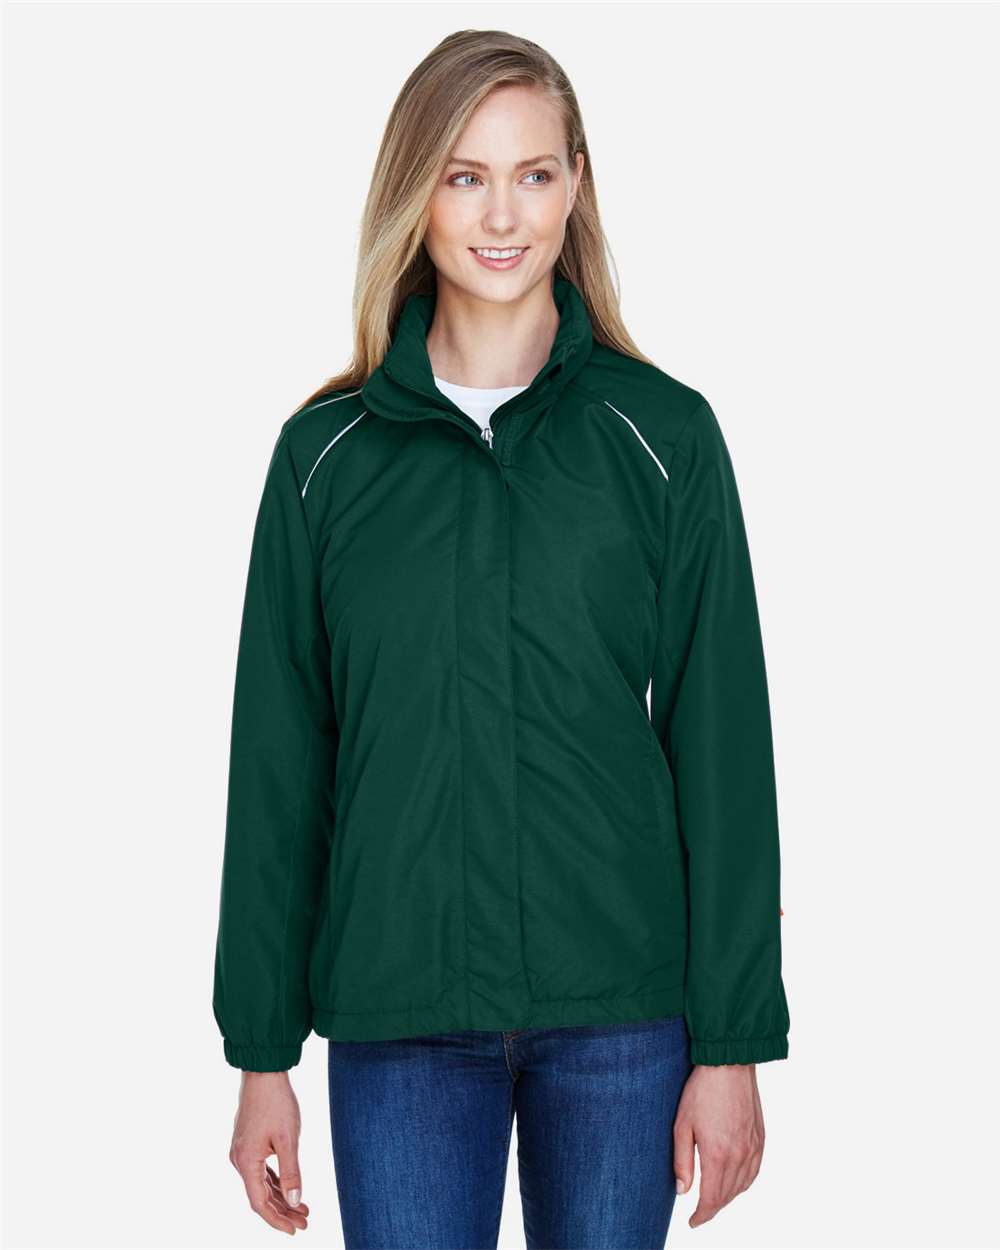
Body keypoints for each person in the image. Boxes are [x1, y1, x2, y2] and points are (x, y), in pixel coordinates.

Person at [212, 28, 790, 1250]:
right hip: (399, 1016)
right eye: (464, 175)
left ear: (577, 184)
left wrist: (733, 1040)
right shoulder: (324, 458)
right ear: (413, 191)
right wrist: (261, 1051)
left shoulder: (663, 436)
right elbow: (278, 766)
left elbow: (722, 751)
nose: (500, 214)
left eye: (533, 173)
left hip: (620, 1014)